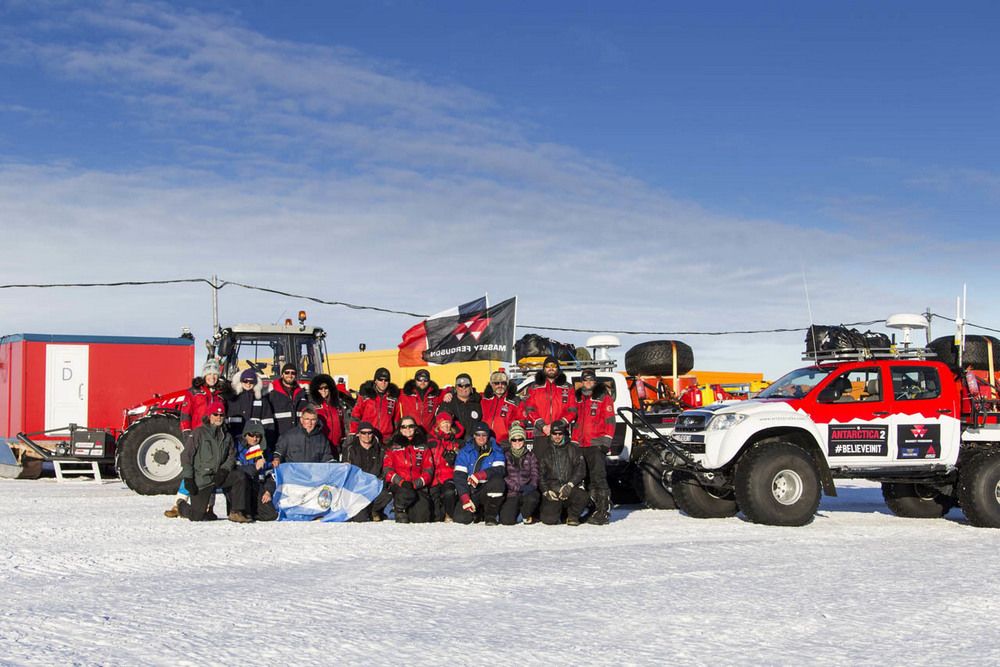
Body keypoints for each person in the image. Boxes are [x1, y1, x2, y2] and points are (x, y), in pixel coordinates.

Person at [164, 358, 229, 519]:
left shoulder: (221, 394)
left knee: (212, 469)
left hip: (214, 437)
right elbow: (186, 414)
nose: (212, 377)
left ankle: (209, 506)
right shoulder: (194, 392)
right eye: (209, 374)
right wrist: (187, 432)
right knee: (192, 469)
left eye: (215, 374)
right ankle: (178, 503)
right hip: (197, 435)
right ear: (204, 375)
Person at [177, 404, 252, 523]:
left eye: (221, 415)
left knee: (239, 476)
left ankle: (236, 512)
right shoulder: (198, 433)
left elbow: (231, 456)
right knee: (197, 516)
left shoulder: (227, 436)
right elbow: (186, 456)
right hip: (202, 478)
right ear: (209, 416)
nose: (218, 417)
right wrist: (188, 477)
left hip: (219, 476)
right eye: (215, 414)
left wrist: (224, 470)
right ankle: (181, 506)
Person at [572, 369, 615, 525]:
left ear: (595, 382)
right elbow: (575, 422)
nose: (588, 383)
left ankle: (603, 511)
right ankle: (592, 509)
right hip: (581, 444)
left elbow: (610, 421)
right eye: (585, 380)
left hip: (596, 444)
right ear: (582, 382)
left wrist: (606, 442)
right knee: (587, 479)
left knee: (599, 479)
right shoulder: (578, 398)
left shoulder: (603, 397)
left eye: (591, 380)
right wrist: (574, 442)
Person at [522, 356, 577, 460]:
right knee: (540, 468)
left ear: (558, 368)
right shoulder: (534, 387)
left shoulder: (567, 387)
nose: (551, 368)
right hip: (541, 433)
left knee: (562, 467)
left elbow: (572, 410)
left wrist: (558, 425)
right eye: (547, 366)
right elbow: (529, 409)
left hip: (560, 434)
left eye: (554, 366)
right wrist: (542, 426)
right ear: (543, 369)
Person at [382, 417, 435, 523]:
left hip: (417, 486)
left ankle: (409, 509)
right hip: (400, 485)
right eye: (404, 427)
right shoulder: (392, 447)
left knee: (422, 518)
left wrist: (416, 484)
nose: (408, 429)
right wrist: (401, 482)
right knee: (407, 494)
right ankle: (398, 508)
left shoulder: (423, 447)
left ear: (415, 428)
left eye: (411, 426)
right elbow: (387, 470)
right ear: (400, 429)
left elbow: (428, 470)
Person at [452, 422, 506, 525]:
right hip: (471, 490)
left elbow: (500, 470)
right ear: (474, 435)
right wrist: (465, 497)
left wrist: (481, 475)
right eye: (478, 434)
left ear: (488, 436)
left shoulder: (496, 450)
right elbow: (459, 476)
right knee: (461, 518)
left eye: (484, 434)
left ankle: (491, 516)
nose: (481, 437)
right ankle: (477, 512)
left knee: (498, 482)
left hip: (487, 488)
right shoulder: (465, 452)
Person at [537, 422, 588, 526]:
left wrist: (570, 485)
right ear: (551, 434)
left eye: (560, 434)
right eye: (554, 434)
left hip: (569, 488)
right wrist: (546, 491)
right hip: (553, 490)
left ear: (564, 434)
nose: (557, 436)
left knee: (583, 497)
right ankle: (560, 513)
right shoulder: (545, 451)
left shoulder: (573, 449)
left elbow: (581, 469)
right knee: (549, 520)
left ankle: (573, 516)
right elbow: (540, 475)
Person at [340, 421, 391, 522]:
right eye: (363, 433)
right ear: (358, 434)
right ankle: (366, 511)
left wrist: (378, 482)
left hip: (375, 487)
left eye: (369, 433)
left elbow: (384, 470)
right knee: (361, 519)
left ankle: (374, 510)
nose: (367, 435)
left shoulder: (380, 450)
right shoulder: (350, 449)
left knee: (388, 495)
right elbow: (346, 471)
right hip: (357, 489)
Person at [234, 421, 277, 522]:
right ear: (245, 434)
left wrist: (268, 491)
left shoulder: (265, 451)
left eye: (258, 435)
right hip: (241, 489)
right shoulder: (236, 448)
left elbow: (271, 474)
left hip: (258, 486)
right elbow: (234, 470)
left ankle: (254, 511)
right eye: (251, 435)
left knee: (270, 515)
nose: (255, 438)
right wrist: (255, 467)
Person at [499, 423, 540, 525]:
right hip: (512, 493)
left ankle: (526, 514)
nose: (517, 442)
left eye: (520, 439)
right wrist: (518, 488)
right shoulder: (505, 456)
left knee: (533, 497)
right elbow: (504, 476)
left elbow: (535, 473)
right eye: (514, 440)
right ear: (510, 441)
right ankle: (520, 515)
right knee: (506, 521)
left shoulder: (530, 455)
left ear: (524, 440)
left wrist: (531, 486)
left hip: (527, 492)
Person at [428, 412, 464, 522]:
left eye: (448, 423)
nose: (446, 426)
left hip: (449, 476)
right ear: (438, 425)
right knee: (436, 516)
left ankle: (450, 514)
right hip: (433, 478)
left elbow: (464, 461)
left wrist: (455, 458)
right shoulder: (431, 441)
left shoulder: (457, 442)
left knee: (449, 492)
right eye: (443, 423)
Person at [227, 368, 276, 444]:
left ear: (256, 383)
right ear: (241, 381)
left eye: (251, 381)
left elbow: (268, 423)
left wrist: (267, 443)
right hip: (236, 442)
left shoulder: (261, 400)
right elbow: (227, 422)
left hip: (255, 443)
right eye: (245, 381)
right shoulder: (232, 399)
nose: (248, 384)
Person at [350, 367, 399, 442]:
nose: (383, 382)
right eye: (380, 380)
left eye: (386, 380)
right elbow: (355, 416)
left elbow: (396, 420)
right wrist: (354, 433)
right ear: (375, 381)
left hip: (387, 439)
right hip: (368, 437)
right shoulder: (365, 396)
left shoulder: (393, 398)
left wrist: (395, 436)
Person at [310, 373, 348, 459]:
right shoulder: (312, 406)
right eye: (320, 388)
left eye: (326, 388)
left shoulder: (337, 406)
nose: (323, 390)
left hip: (336, 447)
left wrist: (344, 441)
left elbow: (344, 424)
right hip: (319, 448)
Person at [481, 369, 522, 449]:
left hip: (505, 443)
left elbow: (522, 419)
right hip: (486, 441)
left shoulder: (514, 401)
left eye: (503, 383)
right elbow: (467, 394)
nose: (500, 386)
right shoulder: (484, 399)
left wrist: (514, 431)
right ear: (491, 384)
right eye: (496, 383)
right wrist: (449, 392)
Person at [268, 363, 309, 439]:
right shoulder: (272, 394)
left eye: (293, 373)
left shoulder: (303, 393)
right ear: (282, 374)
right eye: (287, 372)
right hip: (280, 439)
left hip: (299, 438)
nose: (290, 375)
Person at [438, 372, 483, 439]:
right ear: (456, 387)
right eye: (460, 386)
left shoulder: (479, 401)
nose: (463, 388)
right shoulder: (448, 402)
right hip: (456, 442)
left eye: (466, 385)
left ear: (471, 387)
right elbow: (441, 422)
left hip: (475, 442)